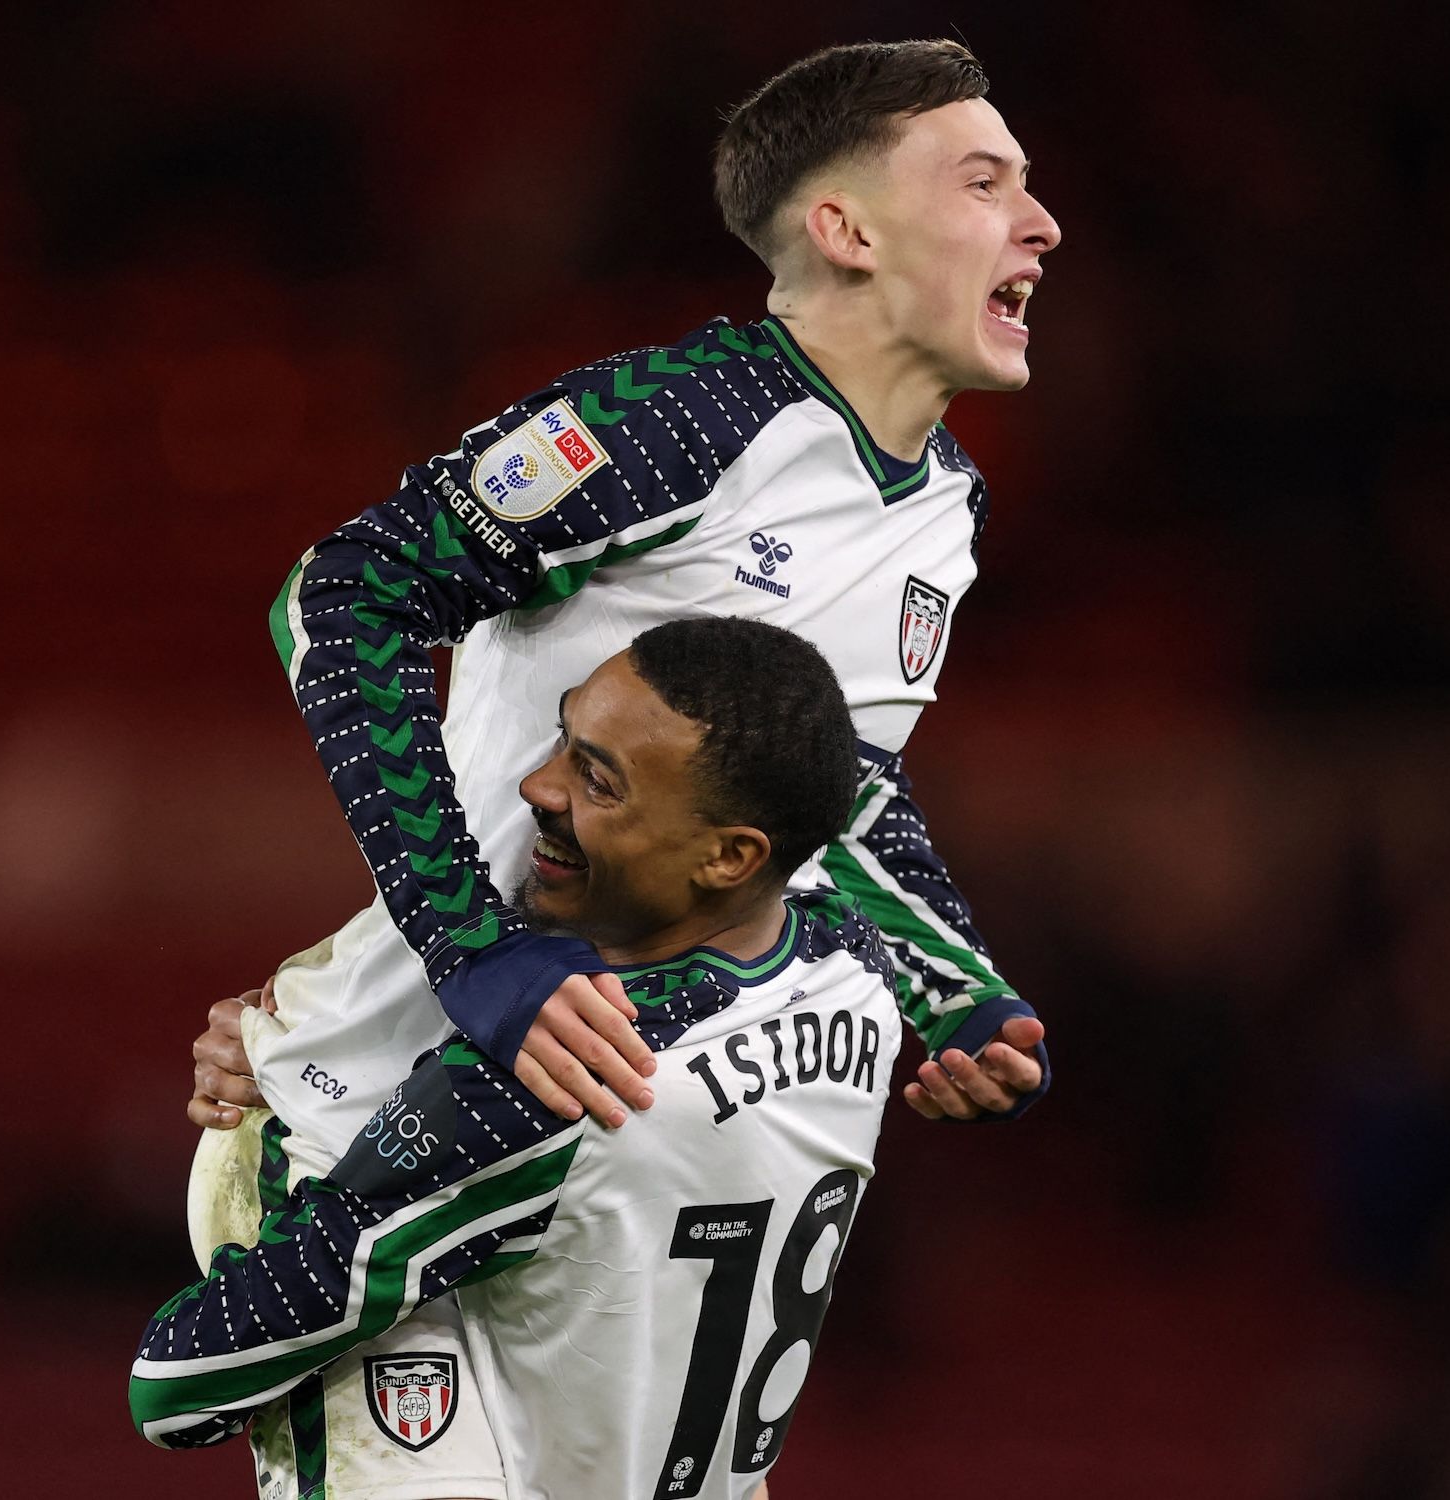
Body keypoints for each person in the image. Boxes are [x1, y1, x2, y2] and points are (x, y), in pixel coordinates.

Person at [175, 36, 1058, 1493]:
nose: (1042, 222)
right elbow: (344, 596)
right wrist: (474, 955)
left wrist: (952, 982)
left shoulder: (944, 516)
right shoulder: (689, 424)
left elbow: (834, 798)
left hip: (593, 1178)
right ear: (845, 231)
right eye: (985, 182)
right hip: (367, 1132)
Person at [138, 618, 911, 1500]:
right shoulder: (855, 966)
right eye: (562, 735)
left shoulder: (561, 1085)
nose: (536, 786)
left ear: (730, 856)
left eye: (597, 779)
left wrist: (302, 1080)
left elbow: (176, 1388)